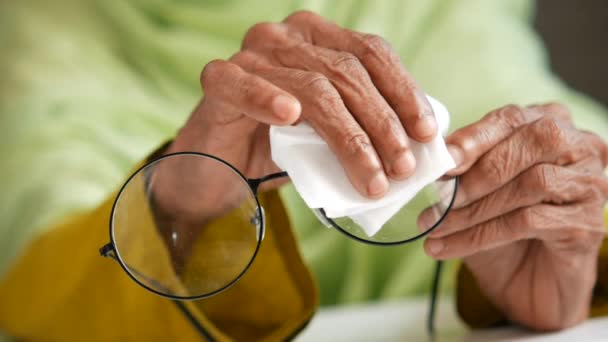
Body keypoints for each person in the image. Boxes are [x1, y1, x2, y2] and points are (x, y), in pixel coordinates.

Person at [1, 1, 607, 341]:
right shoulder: (40, 38)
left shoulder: (444, 16)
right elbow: (36, 299)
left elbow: (564, 145)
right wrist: (185, 215)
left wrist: (568, 248)